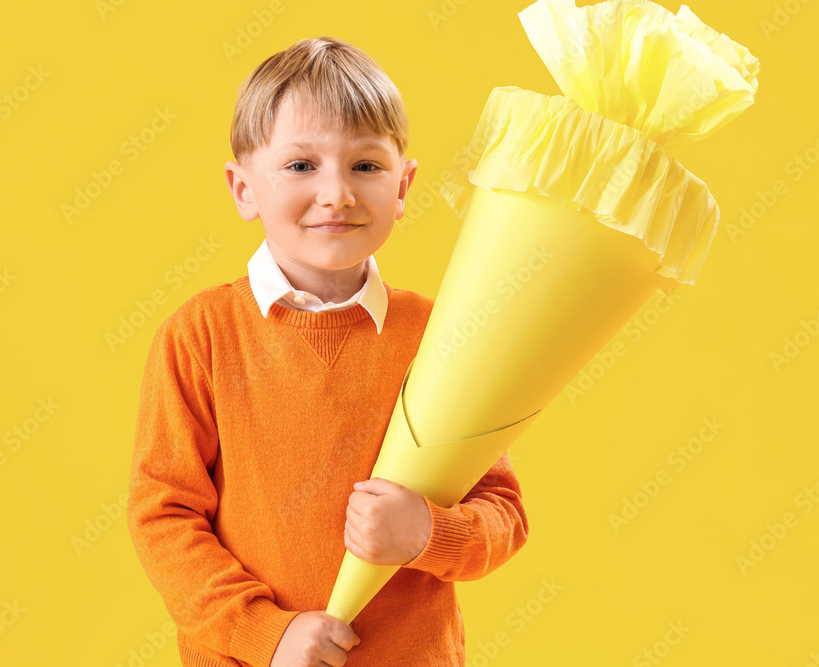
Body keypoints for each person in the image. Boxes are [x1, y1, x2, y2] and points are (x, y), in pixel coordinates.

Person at [127, 35, 529, 667]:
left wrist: (427, 531)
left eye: (366, 166)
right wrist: (265, 632)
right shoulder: (200, 336)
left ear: (403, 186)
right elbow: (163, 516)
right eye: (300, 166)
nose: (337, 192)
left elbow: (502, 511)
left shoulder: (438, 334)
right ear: (243, 188)